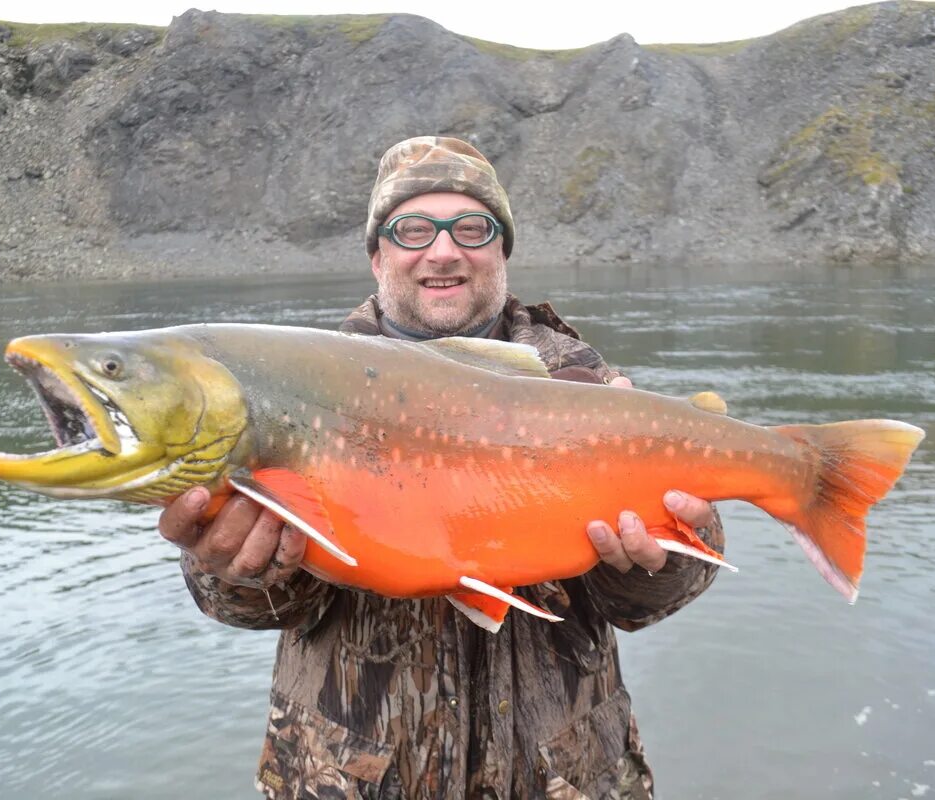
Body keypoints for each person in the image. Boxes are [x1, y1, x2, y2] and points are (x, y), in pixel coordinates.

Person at [158, 136, 725, 799]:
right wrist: (239, 567)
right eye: (414, 229)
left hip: (566, 778)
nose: (445, 250)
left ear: (502, 251)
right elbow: (258, 607)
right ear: (378, 257)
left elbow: (646, 602)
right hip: (351, 779)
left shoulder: (585, 383)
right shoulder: (297, 387)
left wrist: (666, 557)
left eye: (473, 228)